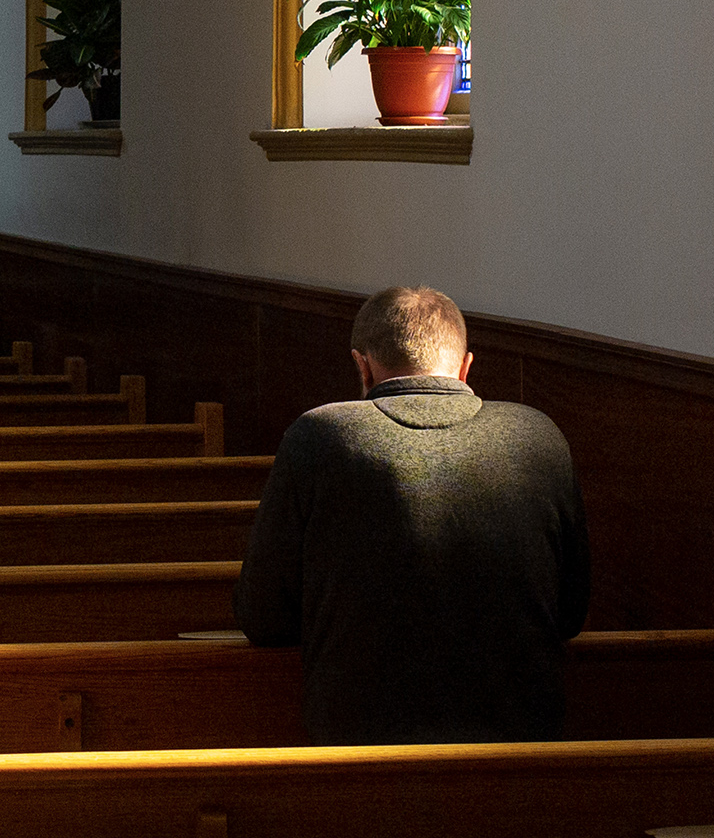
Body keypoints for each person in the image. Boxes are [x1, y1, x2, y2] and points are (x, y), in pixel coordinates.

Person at [234, 285, 591, 744]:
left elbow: (264, 618)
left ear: (361, 366)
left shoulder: (320, 437)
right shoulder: (538, 436)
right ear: (465, 368)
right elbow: (570, 614)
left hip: (359, 746)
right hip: (521, 742)